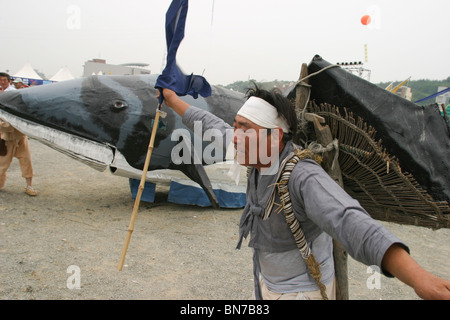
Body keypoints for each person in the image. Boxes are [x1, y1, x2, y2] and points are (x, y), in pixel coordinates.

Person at [159, 86, 450, 300]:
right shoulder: (253, 150)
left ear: (274, 136)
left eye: (244, 129)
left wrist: (417, 276)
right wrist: (172, 100)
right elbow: (211, 124)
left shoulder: (301, 175)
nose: (235, 136)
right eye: (236, 127)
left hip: (302, 292)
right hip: (265, 279)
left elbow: (350, 221)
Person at [0, 119, 37, 196]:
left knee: (26, 161)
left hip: (21, 139)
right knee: (2, 165)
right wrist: (14, 123)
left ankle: (29, 186)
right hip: (6, 141)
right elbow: (3, 127)